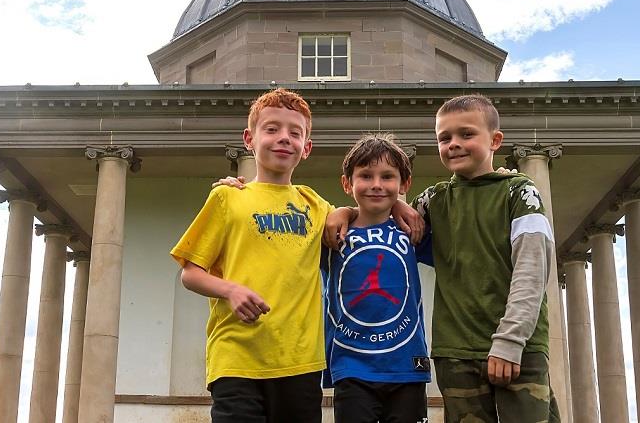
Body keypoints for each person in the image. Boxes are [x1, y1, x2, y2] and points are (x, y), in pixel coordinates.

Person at [326, 94, 559, 423]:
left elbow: (532, 272)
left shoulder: (520, 193)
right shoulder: (433, 201)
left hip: (519, 347)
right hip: (455, 353)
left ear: (495, 140)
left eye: (466, 134)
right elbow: (384, 220)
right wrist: (350, 210)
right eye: (444, 138)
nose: (454, 144)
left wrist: (510, 340)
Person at [169, 88, 332, 423]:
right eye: (271, 129)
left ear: (307, 148)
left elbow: (358, 215)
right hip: (237, 357)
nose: (284, 138)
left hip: (300, 361)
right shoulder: (228, 198)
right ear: (249, 138)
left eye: (295, 133)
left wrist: (399, 203)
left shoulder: (314, 204)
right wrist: (231, 290)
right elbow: (190, 273)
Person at [323, 134, 432, 423]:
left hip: (407, 365)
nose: (376, 185)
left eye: (387, 177)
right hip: (351, 367)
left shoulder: (412, 232)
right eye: (365, 176)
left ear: (404, 184)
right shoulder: (332, 236)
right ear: (347, 183)